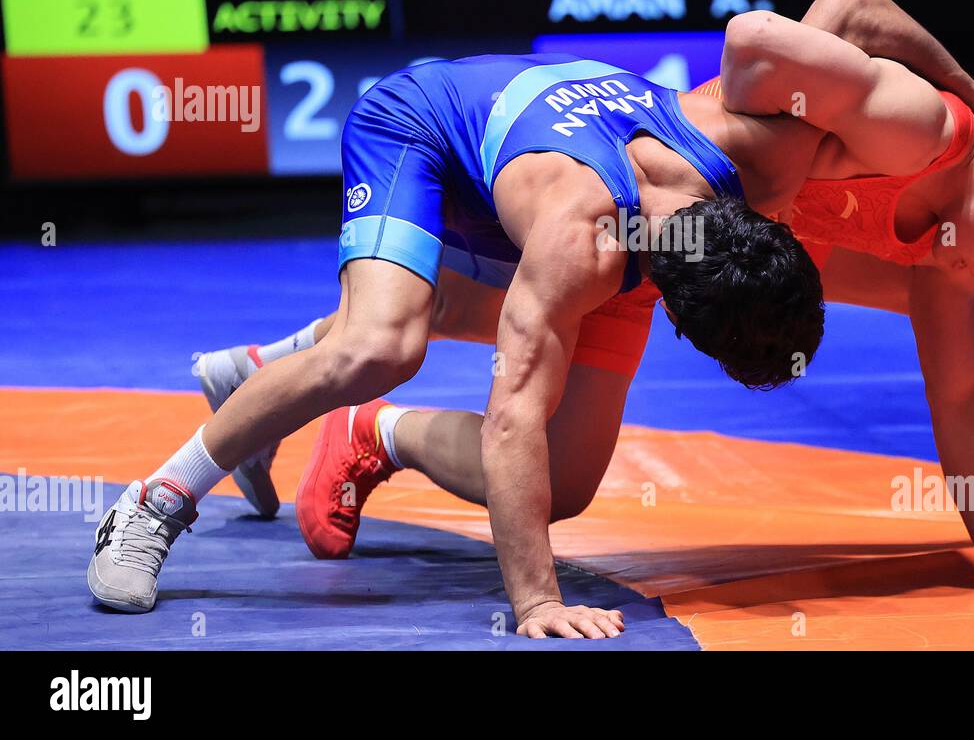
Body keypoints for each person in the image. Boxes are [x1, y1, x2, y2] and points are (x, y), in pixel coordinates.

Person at [87, 50, 829, 637]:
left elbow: (847, 12)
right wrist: (537, 601)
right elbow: (512, 419)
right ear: (675, 309)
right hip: (423, 125)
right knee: (378, 346)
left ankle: (295, 391)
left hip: (538, 168)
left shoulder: (747, 162)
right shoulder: (584, 242)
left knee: (560, 487)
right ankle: (154, 501)